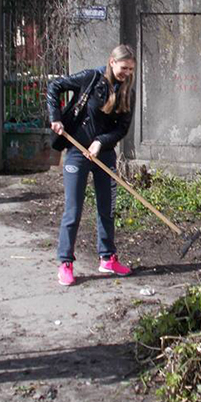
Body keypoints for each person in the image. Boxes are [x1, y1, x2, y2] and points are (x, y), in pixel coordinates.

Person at [47, 44, 136, 286]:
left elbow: (122, 128)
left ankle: (107, 258)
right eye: (123, 67)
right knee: (73, 210)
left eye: (130, 69)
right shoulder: (91, 78)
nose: (127, 73)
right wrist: (55, 117)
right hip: (76, 152)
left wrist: (100, 142)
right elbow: (54, 86)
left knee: (106, 208)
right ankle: (65, 262)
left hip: (104, 155)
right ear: (112, 62)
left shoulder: (128, 91)